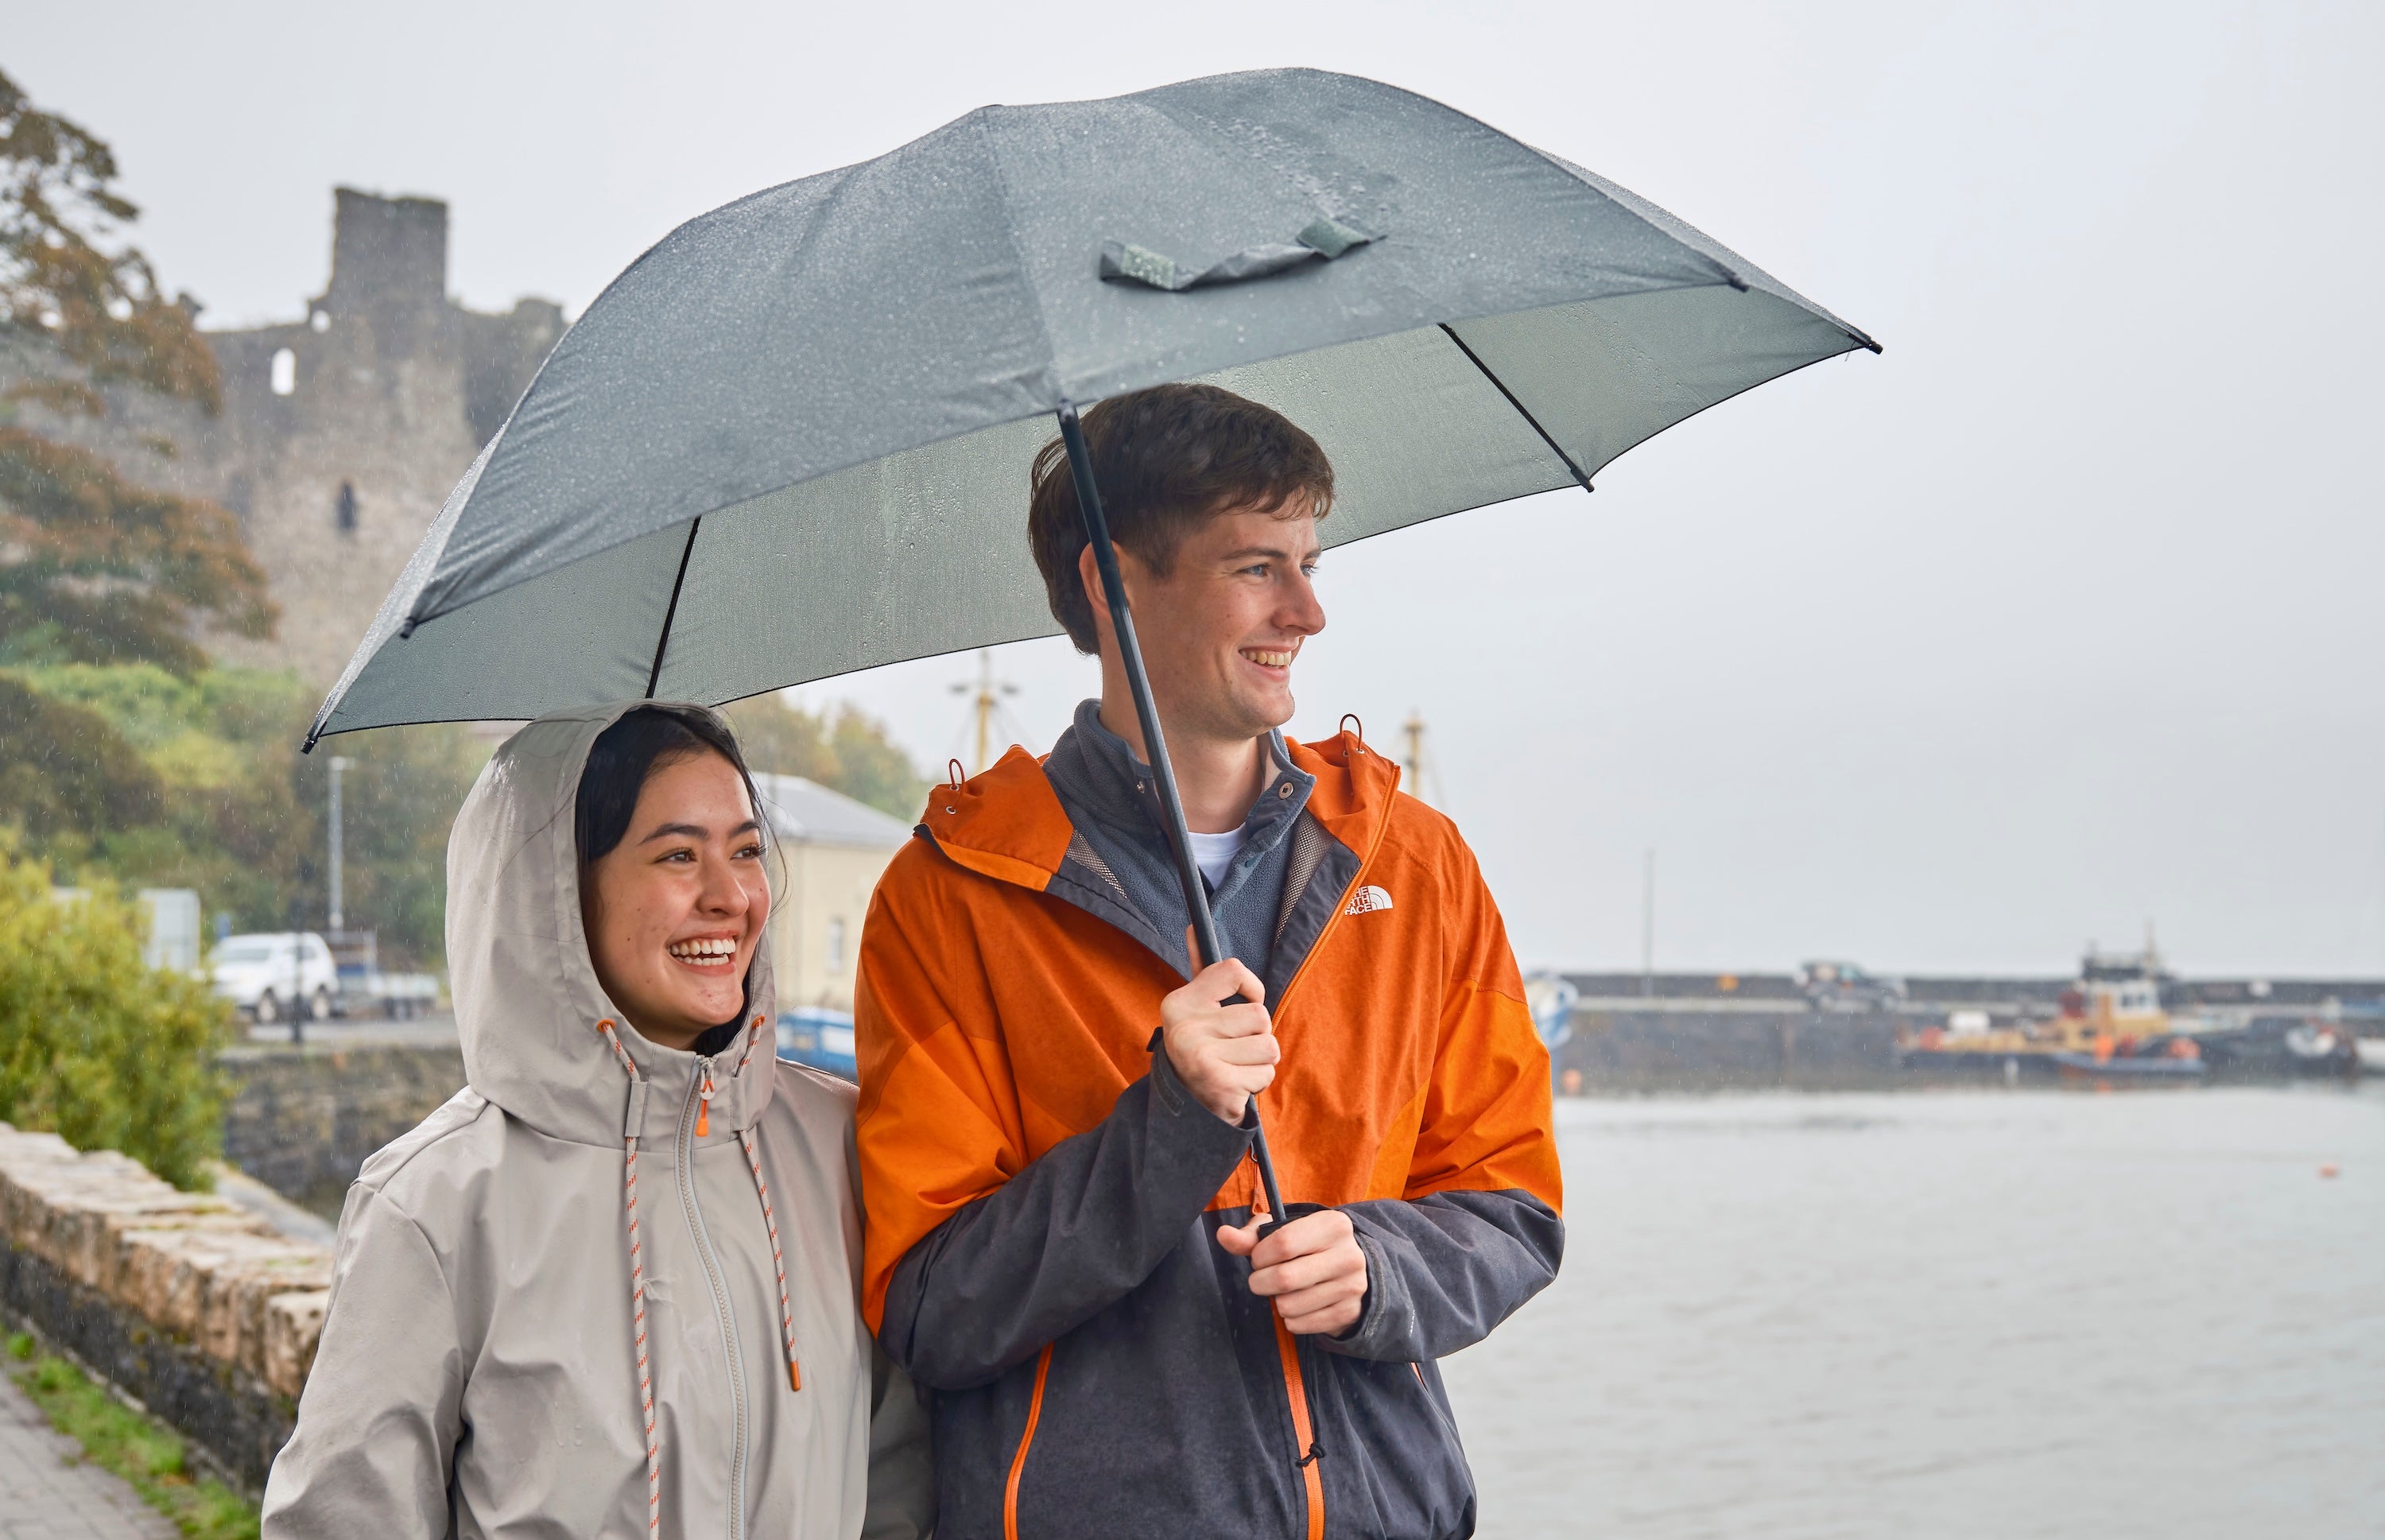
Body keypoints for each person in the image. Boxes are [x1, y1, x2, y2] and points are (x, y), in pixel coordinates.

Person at [855, 384, 1563, 1538]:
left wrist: (1382, 1269)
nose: (1308, 612)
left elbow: (1514, 1206)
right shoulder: (948, 898)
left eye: (1310, 563)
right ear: (1113, 580)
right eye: (1257, 568)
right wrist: (1169, 1121)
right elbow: (936, 1308)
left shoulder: (1416, 861)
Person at [262, 703, 933, 1539]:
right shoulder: (435, 1203)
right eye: (679, 855)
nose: (730, 896)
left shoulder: (837, 1146)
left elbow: (897, 1477)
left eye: (748, 850)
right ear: (557, 888)